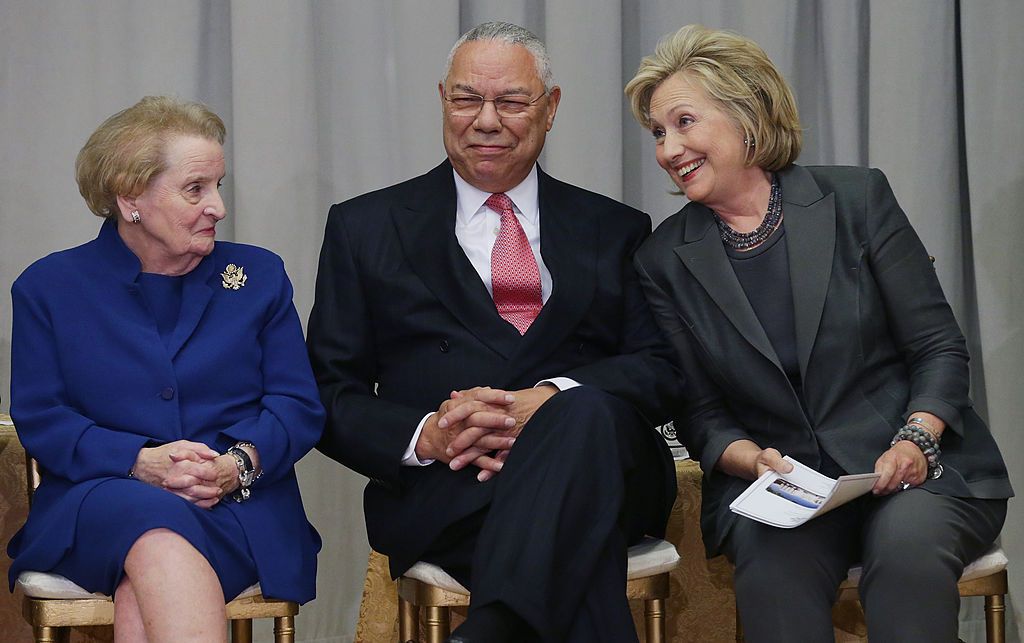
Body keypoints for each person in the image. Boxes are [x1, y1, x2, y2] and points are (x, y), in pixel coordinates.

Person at [625, 25, 1012, 642]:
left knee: (906, 555)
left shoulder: (857, 198)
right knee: (773, 573)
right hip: (785, 490)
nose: (669, 148)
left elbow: (937, 346)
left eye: (684, 122)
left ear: (746, 113)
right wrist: (750, 460)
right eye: (657, 132)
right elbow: (699, 410)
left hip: (909, 468)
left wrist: (916, 437)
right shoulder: (663, 259)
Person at [308, 21, 682, 643]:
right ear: (442, 100)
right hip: (451, 487)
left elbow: (662, 368)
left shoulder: (614, 227)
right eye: (466, 99)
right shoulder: (365, 227)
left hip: (607, 473)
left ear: (551, 108)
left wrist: (552, 399)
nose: (486, 120)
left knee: (583, 415)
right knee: (573, 551)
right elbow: (327, 391)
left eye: (510, 101)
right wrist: (426, 435)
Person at [7, 96, 324, 641]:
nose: (219, 207)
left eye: (218, 185)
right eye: (195, 189)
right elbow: (42, 418)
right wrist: (138, 462)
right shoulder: (49, 288)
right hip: (101, 494)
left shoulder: (259, 276)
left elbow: (297, 406)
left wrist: (236, 464)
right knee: (148, 530)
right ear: (130, 196)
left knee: (146, 571)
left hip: (234, 502)